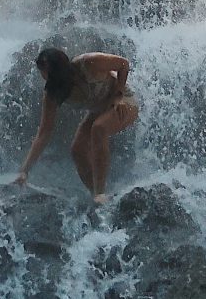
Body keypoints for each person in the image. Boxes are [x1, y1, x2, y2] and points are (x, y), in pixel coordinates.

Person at [15, 47, 138, 204]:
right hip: (99, 109)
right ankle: (100, 196)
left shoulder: (88, 63)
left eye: (46, 72)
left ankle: (100, 193)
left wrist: (118, 95)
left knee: (99, 128)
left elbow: (123, 64)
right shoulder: (53, 92)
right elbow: (44, 133)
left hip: (123, 101)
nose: (45, 77)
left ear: (60, 68)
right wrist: (24, 171)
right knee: (77, 149)